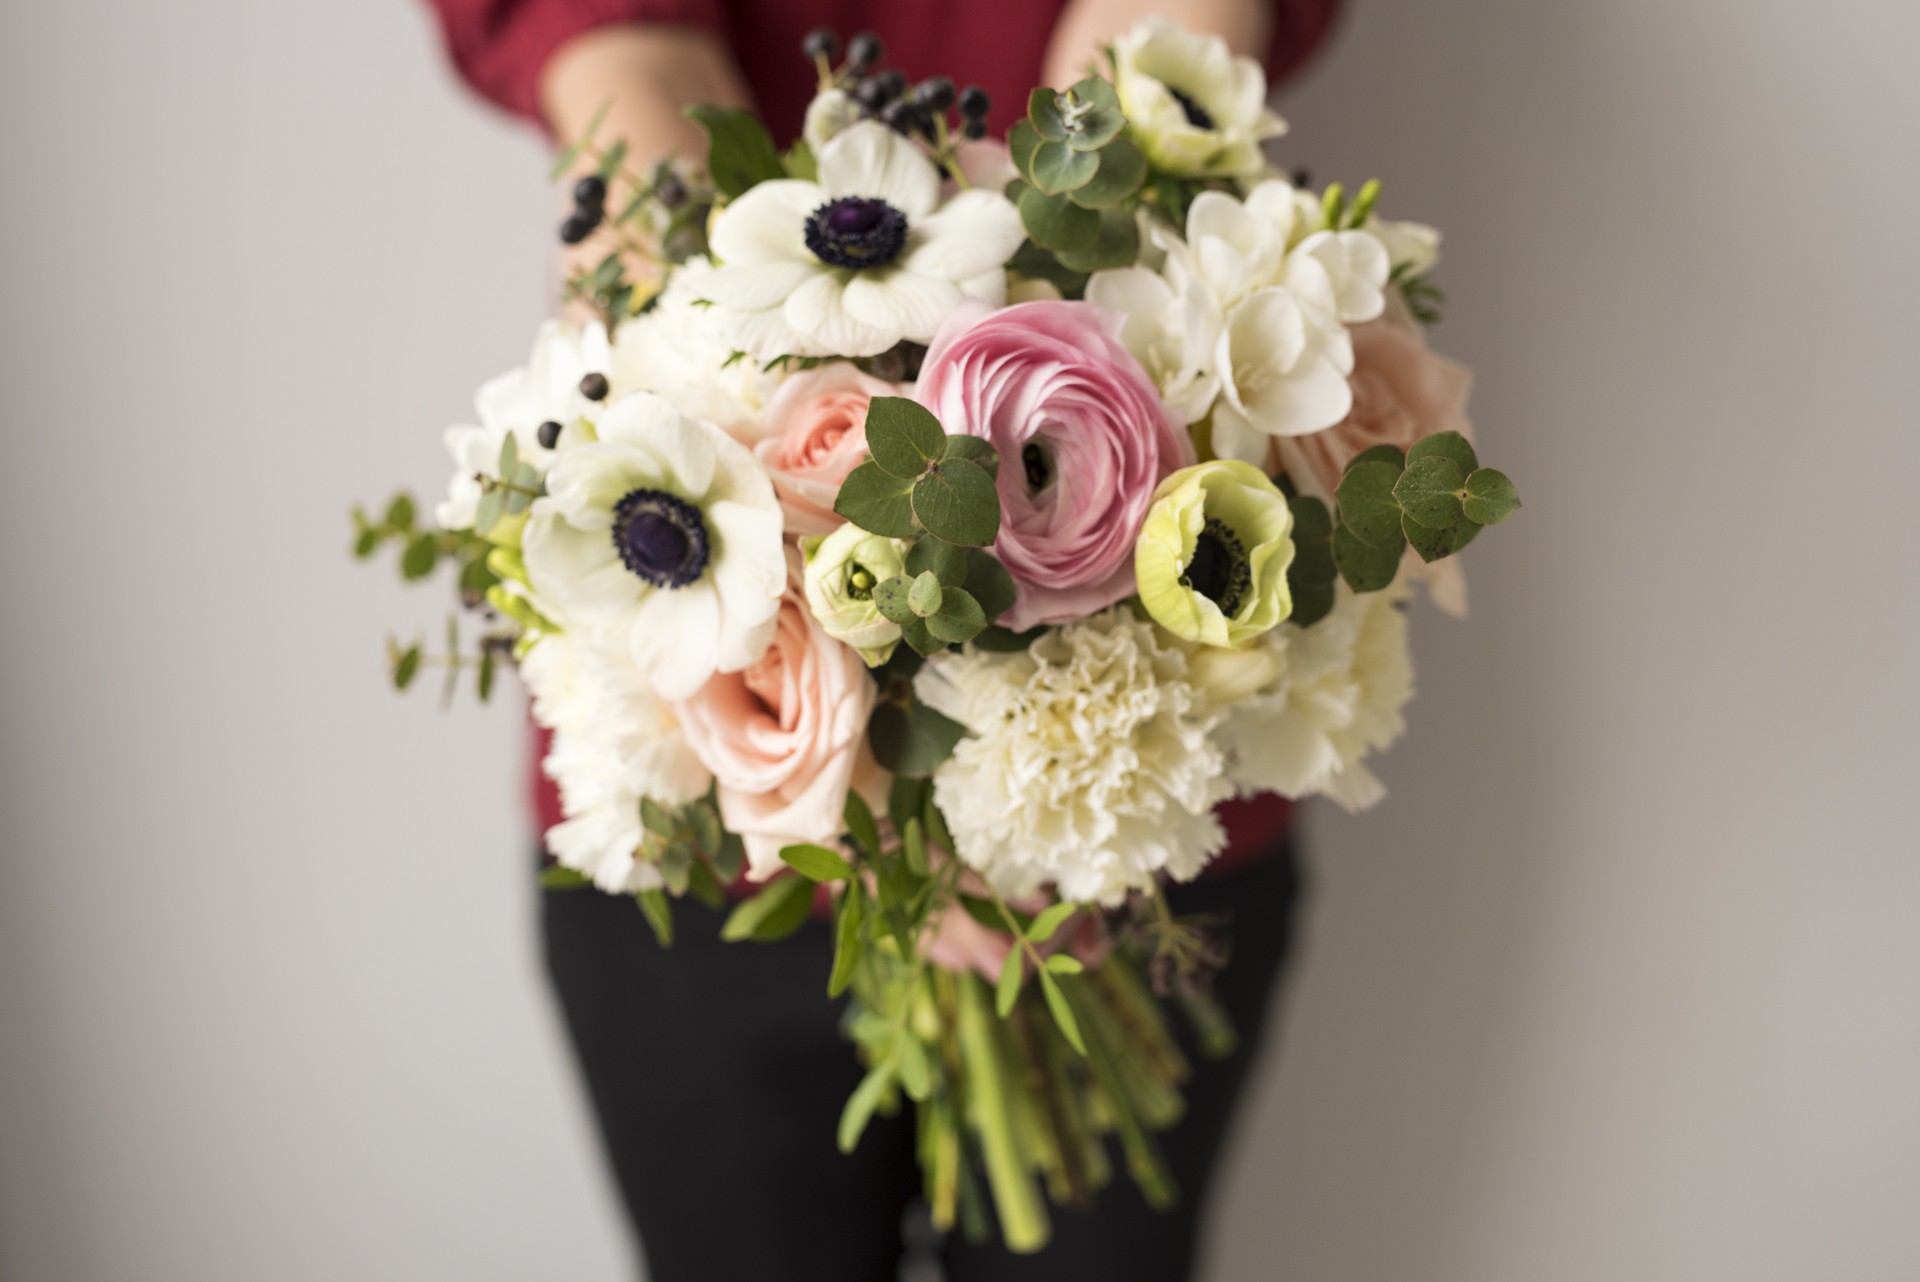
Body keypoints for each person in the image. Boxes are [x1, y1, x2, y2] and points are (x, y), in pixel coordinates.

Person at [420, 2, 1343, 1277]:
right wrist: (888, 787)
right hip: (701, 788)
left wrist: (1016, 759)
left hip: (1132, 798)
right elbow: (642, 100)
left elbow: (1151, 103)